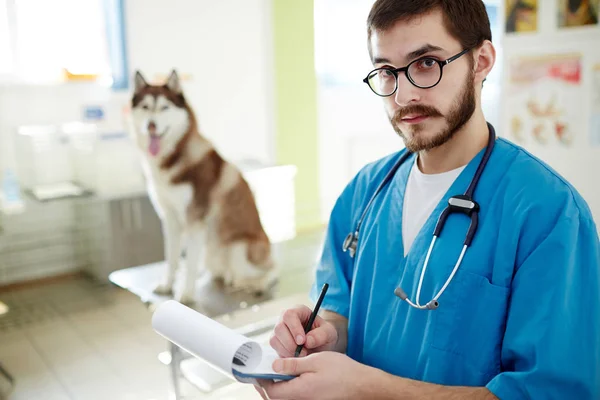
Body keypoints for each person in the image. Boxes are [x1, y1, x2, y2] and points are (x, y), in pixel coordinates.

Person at [256, 0, 600, 399]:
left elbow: (551, 392)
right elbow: (340, 310)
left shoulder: (547, 213)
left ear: (482, 61)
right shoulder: (364, 192)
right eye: (387, 71)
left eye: (425, 64)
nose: (402, 96)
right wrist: (324, 336)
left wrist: (365, 388)